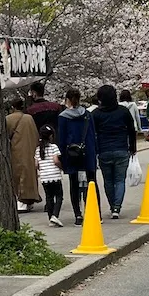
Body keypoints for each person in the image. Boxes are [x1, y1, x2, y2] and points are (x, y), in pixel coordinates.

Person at [90, 85, 138, 218]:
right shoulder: (123, 111)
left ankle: (112, 206)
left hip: (104, 150)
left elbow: (92, 133)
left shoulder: (96, 114)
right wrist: (133, 147)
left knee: (108, 181)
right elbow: (131, 130)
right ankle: (117, 207)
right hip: (121, 149)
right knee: (120, 180)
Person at [56, 87, 98, 226]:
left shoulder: (63, 117)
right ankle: (94, 212)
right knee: (91, 183)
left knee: (74, 185)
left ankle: (78, 215)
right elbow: (93, 134)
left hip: (72, 154)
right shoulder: (87, 115)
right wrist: (94, 152)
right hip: (88, 152)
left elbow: (62, 139)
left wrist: (63, 157)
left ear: (67, 100)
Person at [5, 95, 41, 211]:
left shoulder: (8, 119)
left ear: (12, 107)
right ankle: (31, 199)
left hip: (16, 150)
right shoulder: (29, 118)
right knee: (30, 175)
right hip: (30, 150)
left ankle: (21, 199)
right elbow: (35, 134)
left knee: (18, 175)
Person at [35, 129, 63, 227]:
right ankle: (55, 215)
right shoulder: (53, 147)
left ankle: (50, 217)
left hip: (44, 177)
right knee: (59, 196)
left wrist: (42, 169)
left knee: (49, 197)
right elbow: (56, 160)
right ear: (51, 136)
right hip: (55, 175)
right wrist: (61, 167)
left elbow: (36, 164)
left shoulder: (38, 149)